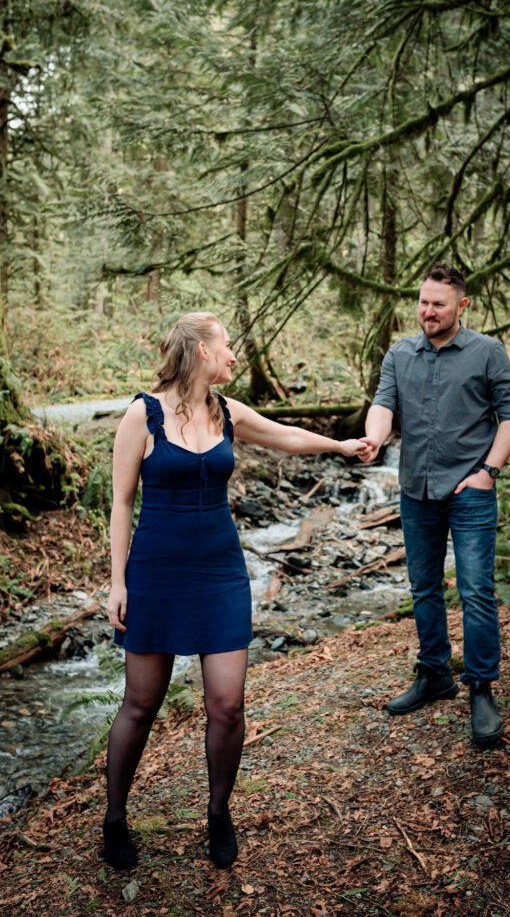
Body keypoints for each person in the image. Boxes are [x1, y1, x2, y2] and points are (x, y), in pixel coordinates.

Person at [104, 312, 366, 870]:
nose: (232, 355)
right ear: (200, 351)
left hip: (220, 574)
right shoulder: (141, 414)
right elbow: (122, 503)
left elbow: (287, 435)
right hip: (155, 575)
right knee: (141, 703)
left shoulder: (226, 412)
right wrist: (117, 583)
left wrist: (341, 446)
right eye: (226, 346)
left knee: (226, 707)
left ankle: (219, 814)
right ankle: (115, 818)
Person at [359, 264, 510, 744]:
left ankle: (481, 689)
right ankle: (434, 673)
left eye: (439, 304)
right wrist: (373, 440)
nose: (428, 312)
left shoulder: (487, 352)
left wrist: (487, 473)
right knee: (424, 587)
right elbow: (383, 404)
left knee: (475, 591)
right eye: (423, 302)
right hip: (416, 490)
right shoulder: (401, 352)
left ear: (462, 305)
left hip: (469, 491)